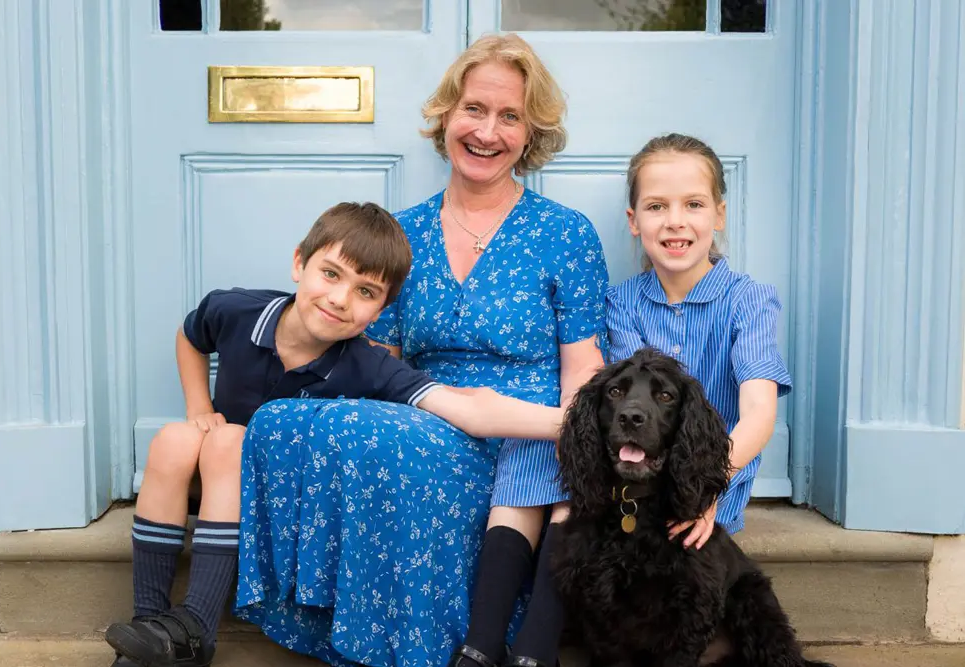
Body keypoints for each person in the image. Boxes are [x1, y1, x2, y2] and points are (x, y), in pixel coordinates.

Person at [235, 34, 608, 667]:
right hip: (428, 411)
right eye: (474, 109)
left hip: (527, 436)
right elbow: (373, 359)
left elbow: (583, 367)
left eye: (509, 116)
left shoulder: (565, 233)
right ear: (445, 117)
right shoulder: (402, 232)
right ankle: (349, 627)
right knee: (276, 421)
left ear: (530, 133)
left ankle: (431, 642)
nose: (487, 131)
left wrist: (574, 444)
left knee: (384, 441)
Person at [103, 202, 568, 667]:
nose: (340, 299)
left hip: (262, 491)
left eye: (365, 291)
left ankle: (196, 629)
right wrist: (198, 406)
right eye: (330, 274)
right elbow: (190, 336)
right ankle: (150, 626)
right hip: (209, 480)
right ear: (298, 263)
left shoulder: (366, 364)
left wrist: (570, 425)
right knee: (174, 439)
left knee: (230, 442)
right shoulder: (237, 309)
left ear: (381, 311)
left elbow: (468, 408)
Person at [606, 132, 792, 547]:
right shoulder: (622, 304)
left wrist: (706, 486)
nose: (675, 220)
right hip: (643, 475)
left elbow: (759, 413)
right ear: (634, 220)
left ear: (718, 215)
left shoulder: (749, 301)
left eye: (693, 204)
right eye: (657, 206)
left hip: (714, 480)